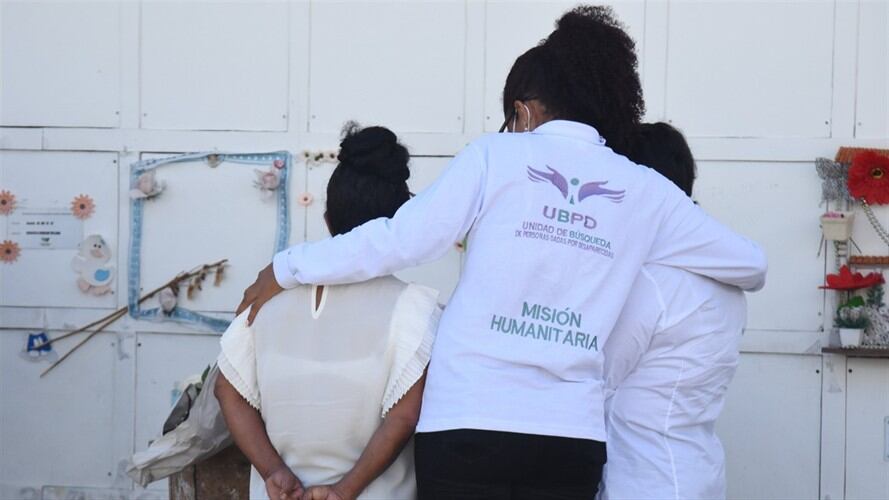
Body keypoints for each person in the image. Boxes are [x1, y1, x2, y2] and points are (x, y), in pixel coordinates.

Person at [238, 6, 767, 499]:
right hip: (569, 439)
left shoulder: (496, 156)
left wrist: (287, 267)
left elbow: (397, 239)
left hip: (468, 423)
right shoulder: (644, 190)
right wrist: (620, 243)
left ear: (527, 109)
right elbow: (750, 263)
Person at [215, 124, 442, 500]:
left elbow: (227, 390)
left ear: (327, 220)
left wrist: (274, 472)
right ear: (401, 226)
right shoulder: (415, 307)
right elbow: (405, 416)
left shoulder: (264, 298)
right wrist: (343, 491)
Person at [600, 122, 746, 500]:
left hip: (643, 477)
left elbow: (598, 376)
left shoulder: (651, 280)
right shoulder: (726, 276)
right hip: (699, 467)